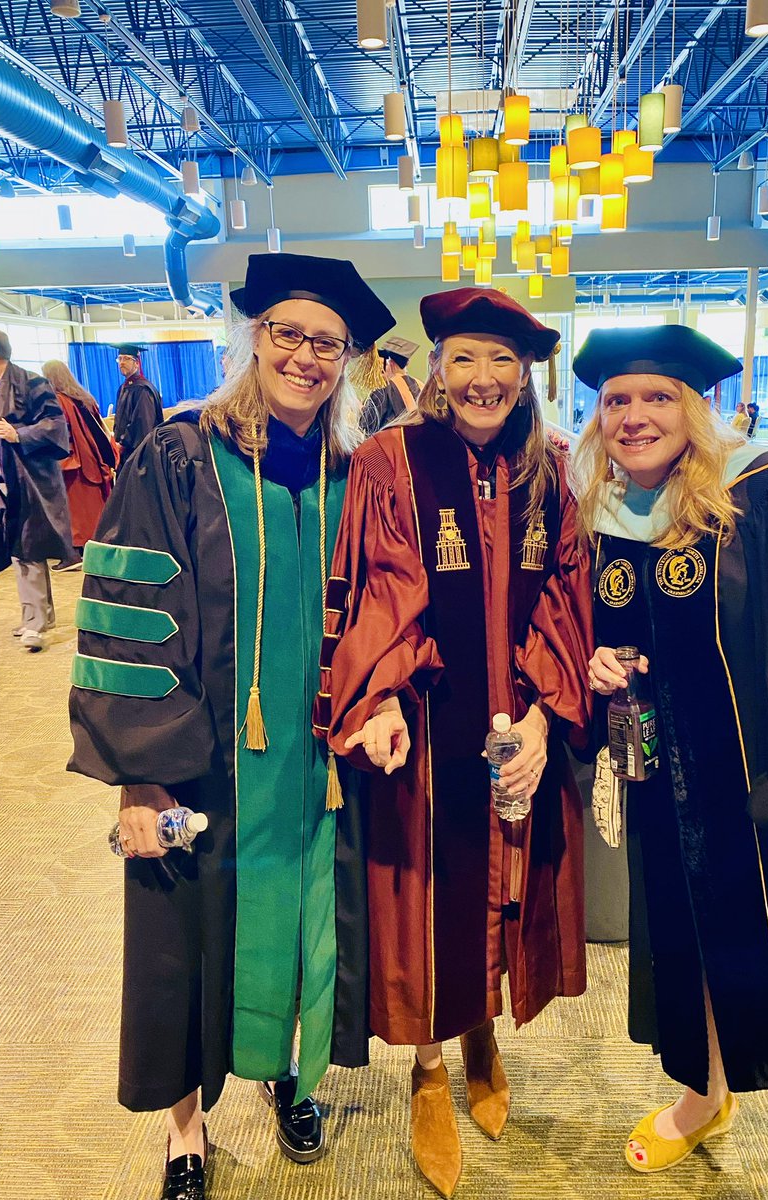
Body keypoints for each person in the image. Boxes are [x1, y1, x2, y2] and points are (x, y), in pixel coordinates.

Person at [68, 253, 396, 1200]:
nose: (304, 356)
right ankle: (185, 1131)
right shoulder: (177, 455)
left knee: (311, 918)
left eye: (326, 343)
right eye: (287, 334)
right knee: (183, 932)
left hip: (322, 760)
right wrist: (142, 775)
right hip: (204, 760)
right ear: (253, 336)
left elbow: (386, 603)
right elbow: (128, 612)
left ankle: (295, 1078)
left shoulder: (354, 472)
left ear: (346, 359)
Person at [570, 324, 768, 1200]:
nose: (635, 417)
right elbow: (619, 634)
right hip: (665, 785)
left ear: (701, 408)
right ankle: (701, 1100)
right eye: (618, 401)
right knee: (685, 950)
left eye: (659, 397)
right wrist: (603, 660)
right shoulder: (605, 510)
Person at [319, 287, 592, 1199]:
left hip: (519, 727)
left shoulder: (552, 464)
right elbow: (379, 593)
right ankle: (431, 1068)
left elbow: (564, 599)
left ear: (525, 375)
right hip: (430, 735)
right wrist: (383, 696)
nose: (483, 378)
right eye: (465, 357)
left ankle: (482, 1032)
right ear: (436, 366)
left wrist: (550, 715)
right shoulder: (391, 462)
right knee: (426, 900)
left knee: (507, 879)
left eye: (502, 361)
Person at [0, 327, 73, 651]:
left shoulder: (29, 382)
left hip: (29, 479)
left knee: (29, 548)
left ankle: (36, 623)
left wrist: (19, 434)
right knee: (17, 549)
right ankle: (37, 616)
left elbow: (55, 425)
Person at [42, 359, 117, 571]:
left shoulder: (58, 401)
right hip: (94, 459)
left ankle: (73, 555)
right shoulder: (84, 398)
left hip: (74, 463)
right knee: (93, 509)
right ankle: (96, 550)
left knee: (75, 513)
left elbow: (58, 434)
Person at [360, 335, 423, 434]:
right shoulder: (422, 386)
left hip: (393, 445)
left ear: (391, 363)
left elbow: (366, 428)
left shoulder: (383, 390)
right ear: (407, 364)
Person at [112, 343, 163, 465]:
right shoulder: (123, 388)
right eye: (120, 358)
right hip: (125, 454)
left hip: (139, 455)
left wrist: (123, 444)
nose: (122, 362)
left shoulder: (143, 389)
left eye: (127, 359)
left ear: (137, 363)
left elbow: (142, 425)